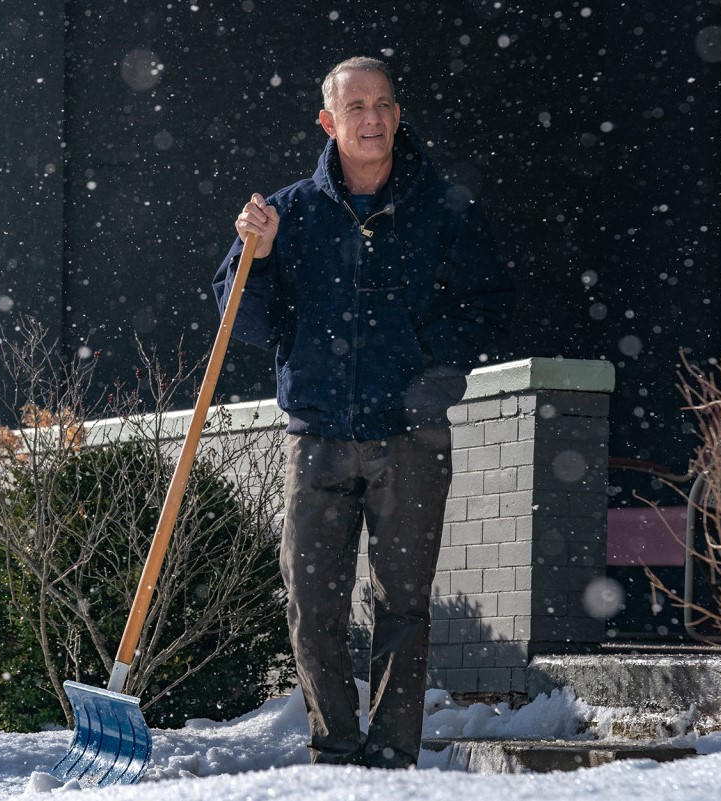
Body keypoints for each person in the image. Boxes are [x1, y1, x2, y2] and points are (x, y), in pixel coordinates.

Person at [213, 56, 512, 769]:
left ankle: (390, 754)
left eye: (381, 105)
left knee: (401, 606)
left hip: (410, 437)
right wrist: (254, 256)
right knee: (310, 603)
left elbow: (485, 307)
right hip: (315, 436)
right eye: (355, 108)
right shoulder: (288, 212)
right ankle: (334, 746)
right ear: (328, 121)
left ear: (397, 114)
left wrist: (427, 371)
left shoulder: (443, 208)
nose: (370, 119)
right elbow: (241, 320)